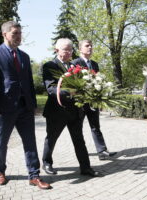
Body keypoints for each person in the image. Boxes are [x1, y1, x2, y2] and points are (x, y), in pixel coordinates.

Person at [0, 21, 50, 189]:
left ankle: (34, 175)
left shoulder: (24, 56)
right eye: (15, 34)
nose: (19, 37)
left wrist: (33, 104)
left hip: (24, 107)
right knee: (1, 142)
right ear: (5, 34)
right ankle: (0, 171)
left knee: (30, 141)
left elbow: (29, 83)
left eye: (20, 33)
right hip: (4, 107)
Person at [42, 38, 100, 177]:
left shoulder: (74, 67)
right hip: (57, 111)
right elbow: (51, 89)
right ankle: (47, 162)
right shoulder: (50, 65)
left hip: (75, 112)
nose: (69, 52)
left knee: (79, 140)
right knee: (51, 138)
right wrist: (70, 92)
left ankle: (85, 168)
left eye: (71, 49)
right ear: (57, 50)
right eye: (66, 50)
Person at [72, 39, 117, 160]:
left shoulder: (95, 64)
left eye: (91, 46)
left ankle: (102, 151)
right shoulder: (75, 63)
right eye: (87, 46)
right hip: (81, 102)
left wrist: (100, 99)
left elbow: (99, 82)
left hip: (93, 102)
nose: (90, 48)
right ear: (80, 49)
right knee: (77, 128)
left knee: (95, 126)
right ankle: (81, 152)